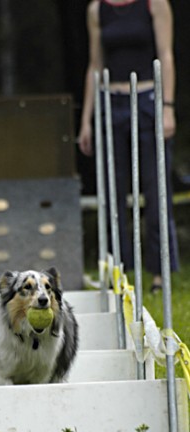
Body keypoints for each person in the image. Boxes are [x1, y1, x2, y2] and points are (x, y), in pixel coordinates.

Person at [78, 0, 179, 292]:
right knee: (113, 192)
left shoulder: (155, 4)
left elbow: (166, 55)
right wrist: (87, 119)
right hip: (112, 102)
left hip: (148, 99)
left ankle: (161, 272)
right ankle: (118, 269)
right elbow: (94, 66)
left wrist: (168, 106)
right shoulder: (97, 9)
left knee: (155, 188)